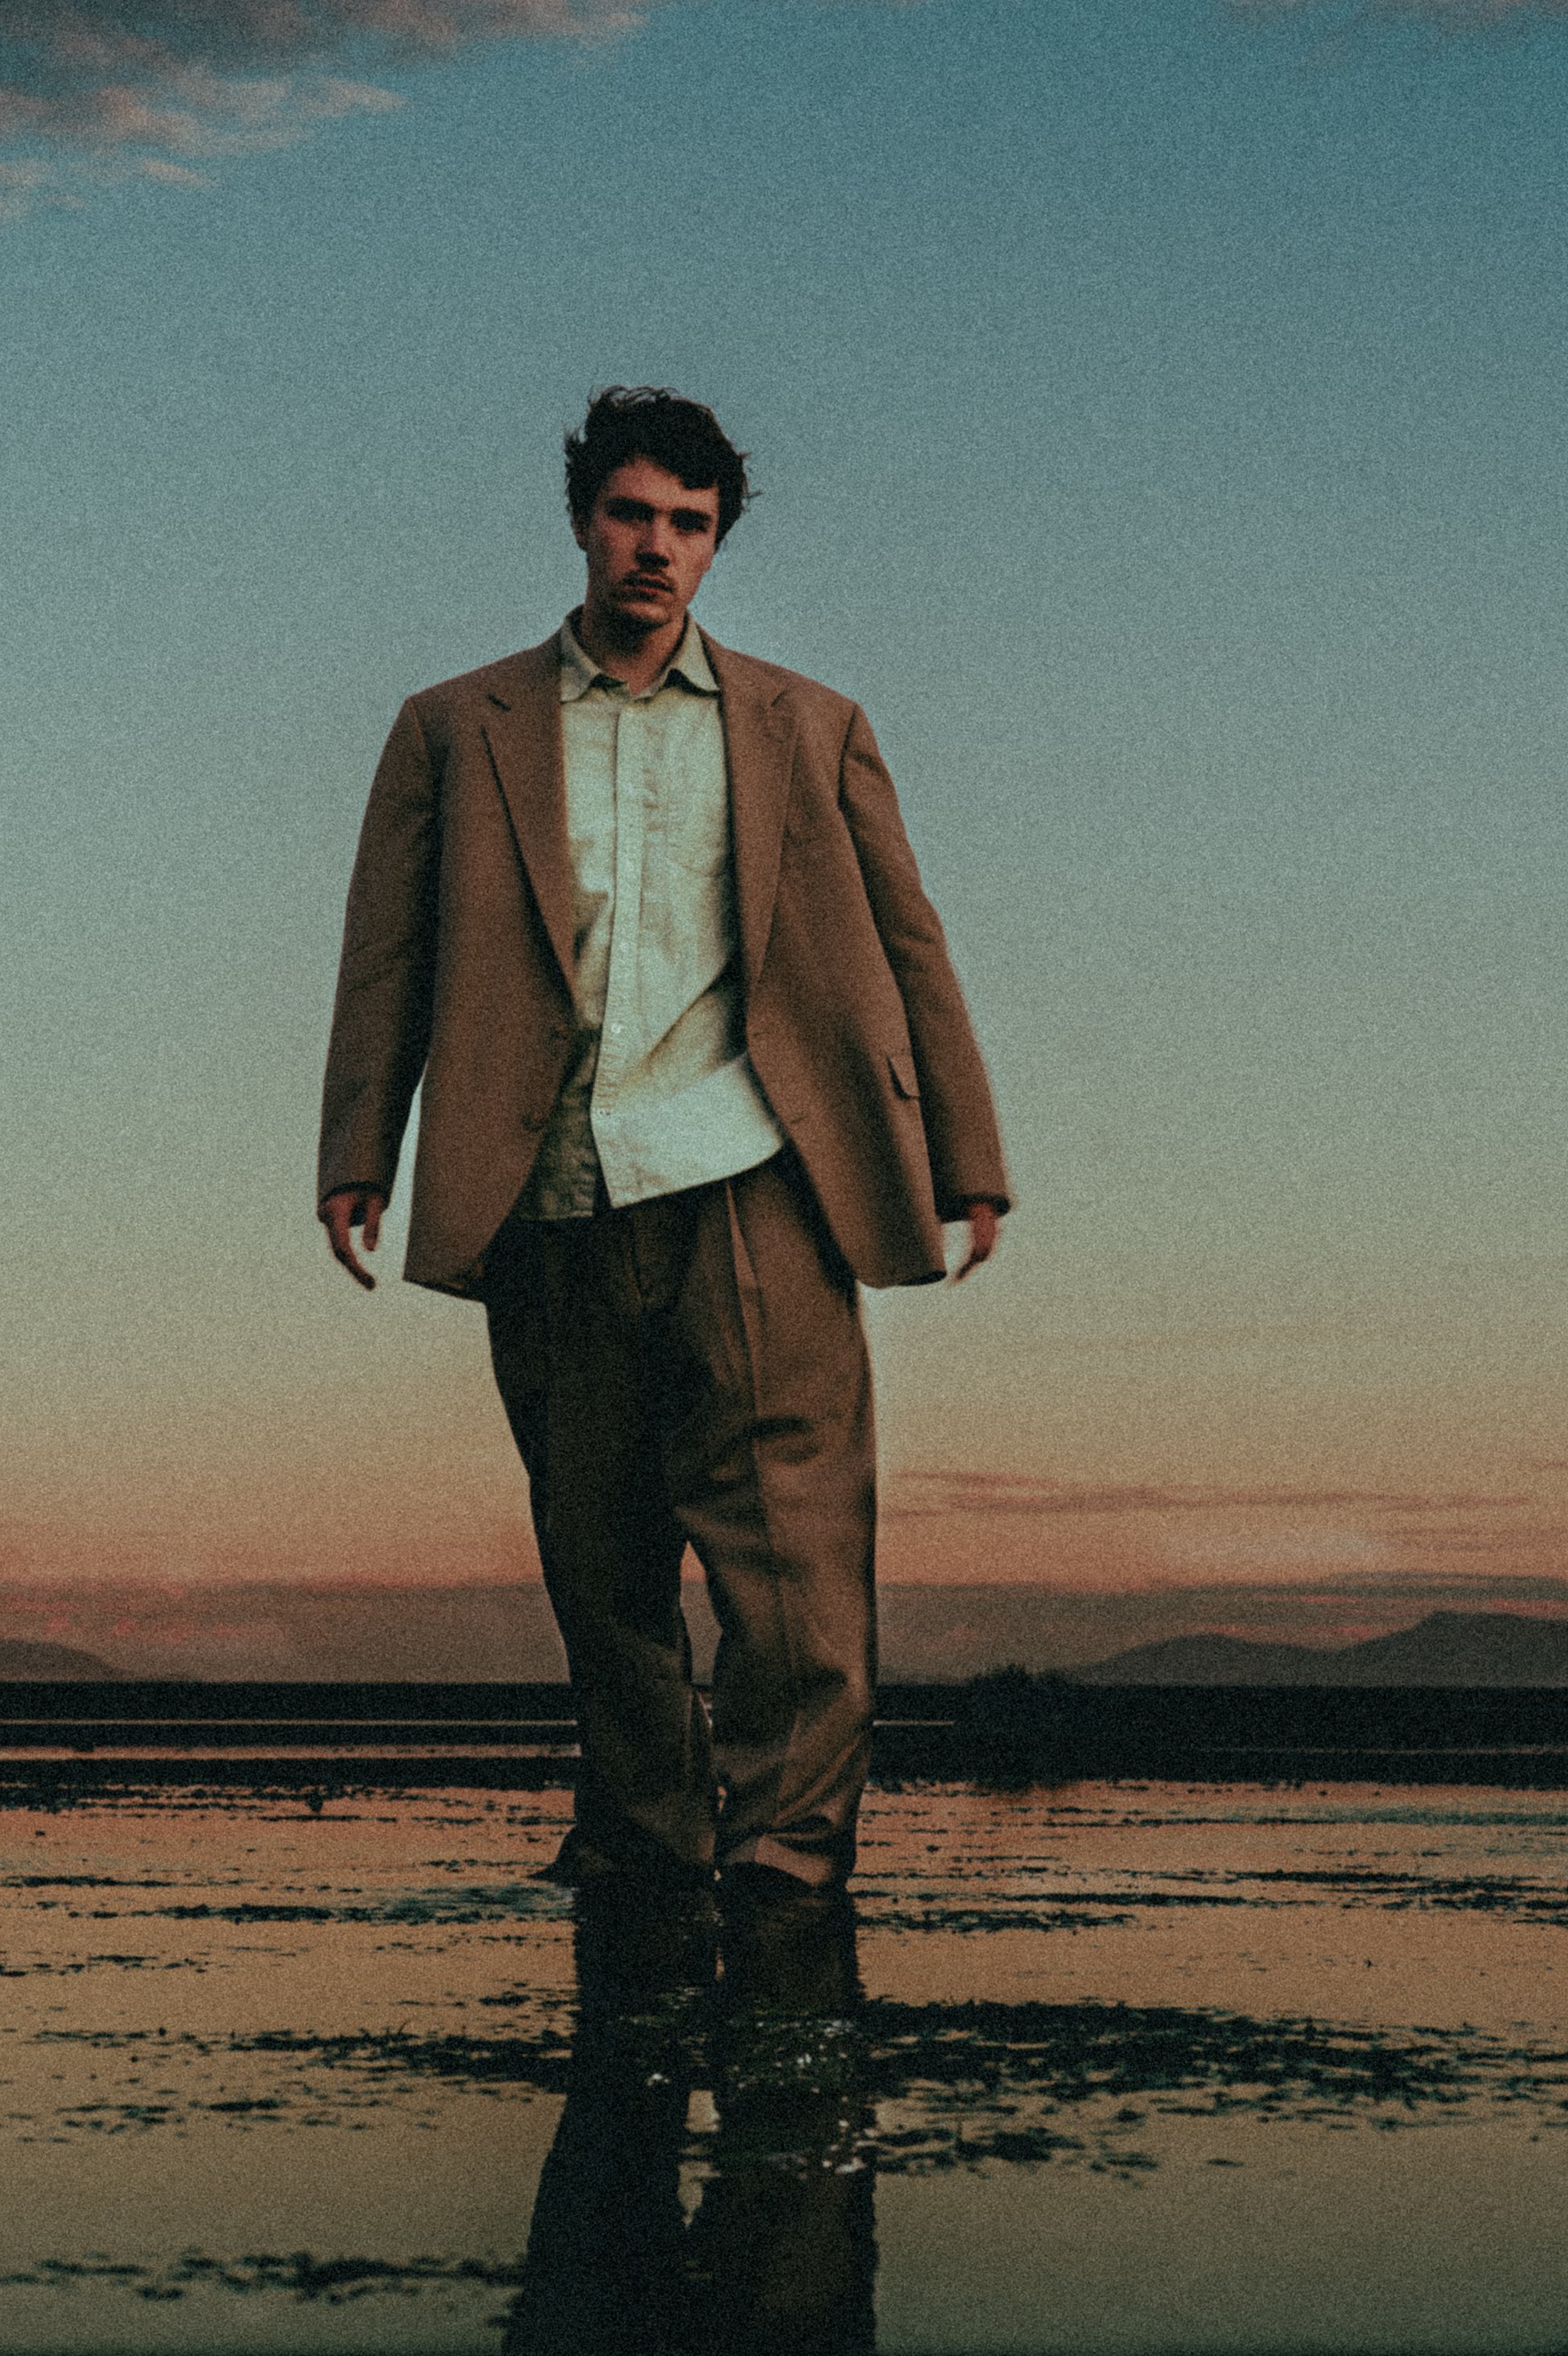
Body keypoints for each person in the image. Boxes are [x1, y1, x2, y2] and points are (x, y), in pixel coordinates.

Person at [318, 386, 1011, 1973]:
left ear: (716, 541)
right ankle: (644, 1852)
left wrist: (963, 1150)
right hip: (548, 1191)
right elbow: (386, 957)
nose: (656, 547)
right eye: (632, 513)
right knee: (602, 1570)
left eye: (688, 523)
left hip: (750, 1176)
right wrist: (360, 1147)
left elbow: (911, 947)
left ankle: (782, 1875)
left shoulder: (807, 723)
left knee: (800, 1579)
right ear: (582, 519)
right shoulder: (454, 724)